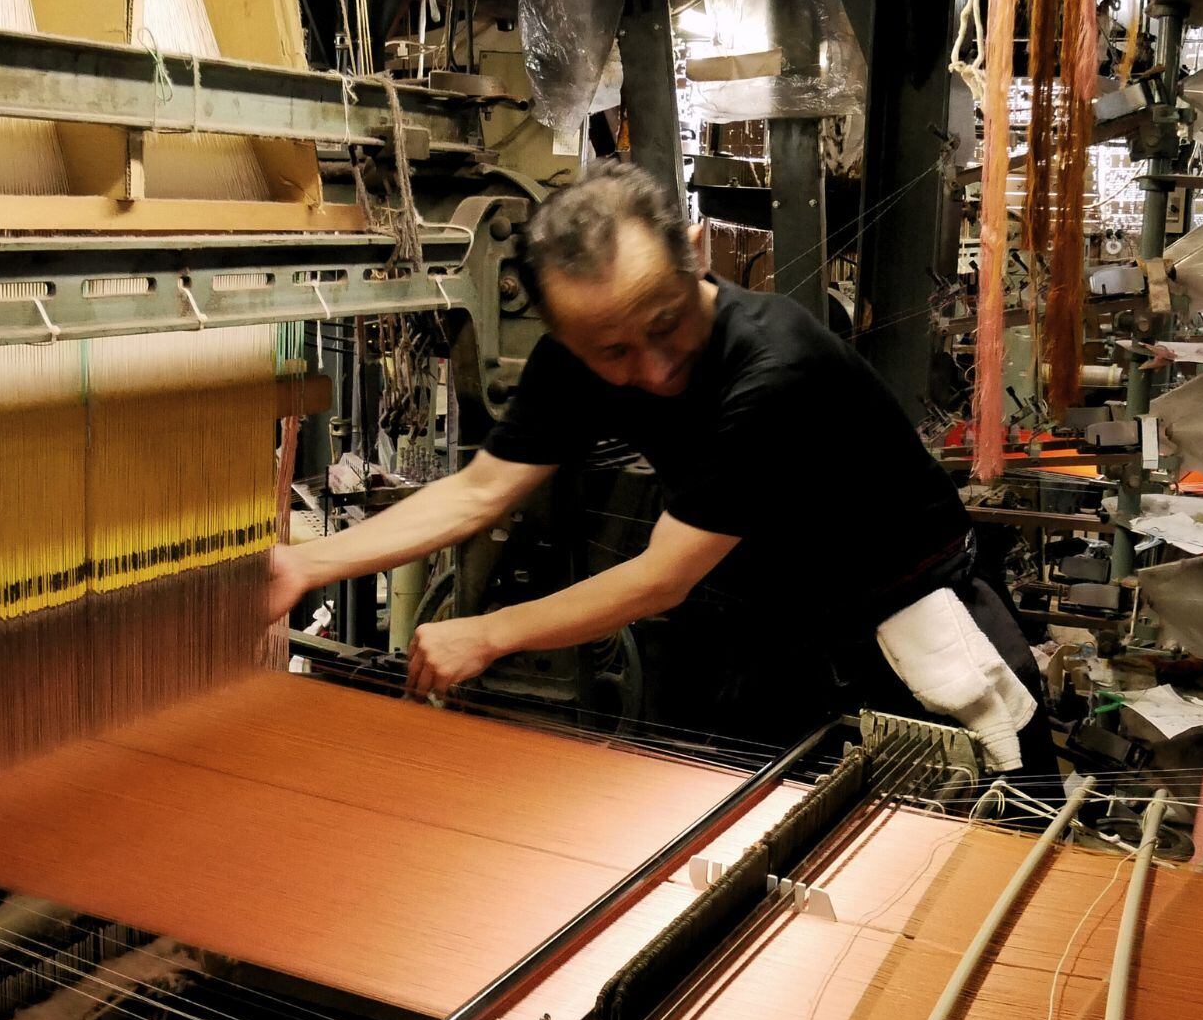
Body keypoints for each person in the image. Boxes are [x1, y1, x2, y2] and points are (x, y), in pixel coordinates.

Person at [265, 161, 1054, 773]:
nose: (651, 368)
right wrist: (305, 565)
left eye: (666, 323)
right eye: (612, 352)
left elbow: (660, 577)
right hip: (772, 628)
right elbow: (479, 490)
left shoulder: (776, 366)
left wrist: (488, 633)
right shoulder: (579, 353)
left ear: (697, 254)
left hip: (907, 632)